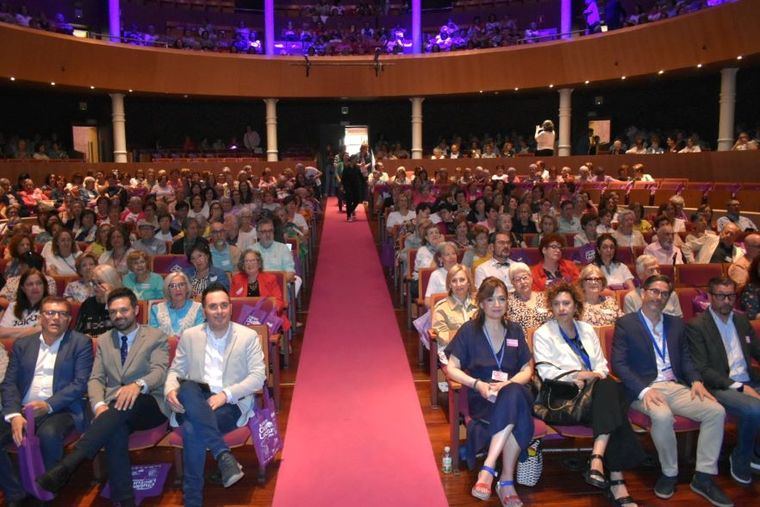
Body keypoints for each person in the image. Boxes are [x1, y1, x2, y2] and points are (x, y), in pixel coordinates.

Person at [36, 289, 169, 505]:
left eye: (124, 310)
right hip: (115, 410)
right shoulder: (105, 340)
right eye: (113, 312)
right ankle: (124, 499)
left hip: (149, 403)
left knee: (125, 406)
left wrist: (137, 385)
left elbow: (159, 371)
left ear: (136, 310)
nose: (118, 316)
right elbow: (96, 378)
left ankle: (69, 463)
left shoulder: (155, 336)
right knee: (115, 428)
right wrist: (98, 405)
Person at [612, 275, 730, 505]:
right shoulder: (627, 323)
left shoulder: (676, 323)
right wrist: (644, 391)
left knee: (716, 411)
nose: (659, 297)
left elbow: (685, 358)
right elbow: (619, 365)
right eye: (654, 291)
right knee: (662, 416)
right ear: (643, 293)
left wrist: (696, 380)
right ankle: (669, 473)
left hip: (674, 385)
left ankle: (704, 476)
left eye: (664, 293)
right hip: (642, 387)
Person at [534, 282, 643, 507]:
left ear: (576, 306)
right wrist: (579, 375)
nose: (561, 308)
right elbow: (545, 372)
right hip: (565, 397)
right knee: (614, 400)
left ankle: (598, 460)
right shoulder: (543, 333)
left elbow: (602, 364)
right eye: (556, 304)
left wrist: (596, 374)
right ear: (551, 308)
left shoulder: (586, 329)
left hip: (596, 393)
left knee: (608, 388)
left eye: (566, 303)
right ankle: (614, 477)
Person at [164, 284, 266, 506]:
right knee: (188, 386)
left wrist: (225, 395)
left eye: (223, 305)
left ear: (230, 307)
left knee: (192, 429)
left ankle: (192, 499)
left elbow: (258, 377)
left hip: (229, 404)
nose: (219, 311)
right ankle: (224, 455)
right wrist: (171, 389)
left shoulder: (247, 336)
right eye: (213, 307)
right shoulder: (190, 336)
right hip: (194, 400)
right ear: (204, 311)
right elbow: (175, 371)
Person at [445, 277, 535, 507]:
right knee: (516, 410)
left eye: (502, 298)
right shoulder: (469, 331)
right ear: (482, 303)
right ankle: (505, 482)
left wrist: (508, 384)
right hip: (484, 395)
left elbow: (528, 369)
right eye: (490, 299)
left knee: (514, 394)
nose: (497, 304)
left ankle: (489, 468)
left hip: (513, 390)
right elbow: (451, 368)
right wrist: (478, 385)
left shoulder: (515, 330)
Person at [0, 296, 93, 502]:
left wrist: (48, 405)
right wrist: (14, 414)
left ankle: (46, 495)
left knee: (49, 434)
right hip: (23, 408)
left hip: (61, 408)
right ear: (41, 317)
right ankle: (16, 495)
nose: (55, 318)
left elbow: (80, 383)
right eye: (50, 313)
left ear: (69, 319)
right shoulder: (23, 344)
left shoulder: (80, 342)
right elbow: (9, 383)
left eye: (62, 314)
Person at [686, 277, 760, 485]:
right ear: (710, 297)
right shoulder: (697, 326)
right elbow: (702, 369)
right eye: (720, 296)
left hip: (748, 378)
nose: (726, 301)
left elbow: (756, 350)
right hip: (720, 385)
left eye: (730, 296)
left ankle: (756, 452)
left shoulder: (742, 320)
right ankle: (741, 458)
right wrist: (739, 387)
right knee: (755, 409)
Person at [230, 248, 290, 332]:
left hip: (265, 318)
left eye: (253, 261)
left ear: (259, 263)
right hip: (243, 320)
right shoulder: (237, 279)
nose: (249, 264)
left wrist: (266, 311)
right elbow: (232, 302)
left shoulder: (270, 279)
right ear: (242, 265)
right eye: (246, 261)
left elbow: (278, 301)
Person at [431, 264, 478, 360]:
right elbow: (444, 338)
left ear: (469, 282)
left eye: (462, 280)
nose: (458, 284)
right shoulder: (441, 308)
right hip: (453, 353)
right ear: (449, 285)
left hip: (479, 350)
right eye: (454, 281)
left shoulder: (479, 305)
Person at [149, 271, 205, 337]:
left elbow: (199, 335)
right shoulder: (156, 310)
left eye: (181, 285)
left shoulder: (198, 308)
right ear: (168, 290)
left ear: (187, 288)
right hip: (163, 347)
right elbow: (153, 337)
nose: (178, 289)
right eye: (172, 286)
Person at [76, 264, 123, 337]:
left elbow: (124, 330)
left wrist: (109, 302)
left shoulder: (122, 302)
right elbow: (78, 332)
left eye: (100, 283)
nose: (95, 286)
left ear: (111, 282)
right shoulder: (88, 303)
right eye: (93, 282)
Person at [0, 268, 49, 340]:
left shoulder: (51, 306)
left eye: (39, 283)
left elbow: (43, 332)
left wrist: (12, 332)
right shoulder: (13, 306)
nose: (35, 287)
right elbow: (1, 332)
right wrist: (33, 330)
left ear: (44, 286)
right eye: (30, 284)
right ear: (23, 288)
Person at [507, 262, 550, 335]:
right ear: (512, 283)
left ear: (531, 278)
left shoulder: (544, 297)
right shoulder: (508, 301)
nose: (522, 282)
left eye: (525, 277)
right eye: (518, 280)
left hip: (545, 341)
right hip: (520, 342)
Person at [342, 155, 363, 222]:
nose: (356, 160)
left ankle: (350, 211)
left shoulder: (357, 167)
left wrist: (365, 181)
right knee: (349, 201)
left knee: (357, 200)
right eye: (355, 159)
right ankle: (348, 216)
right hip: (348, 187)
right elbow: (343, 178)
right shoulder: (346, 168)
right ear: (352, 160)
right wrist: (342, 186)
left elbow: (361, 176)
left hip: (356, 186)